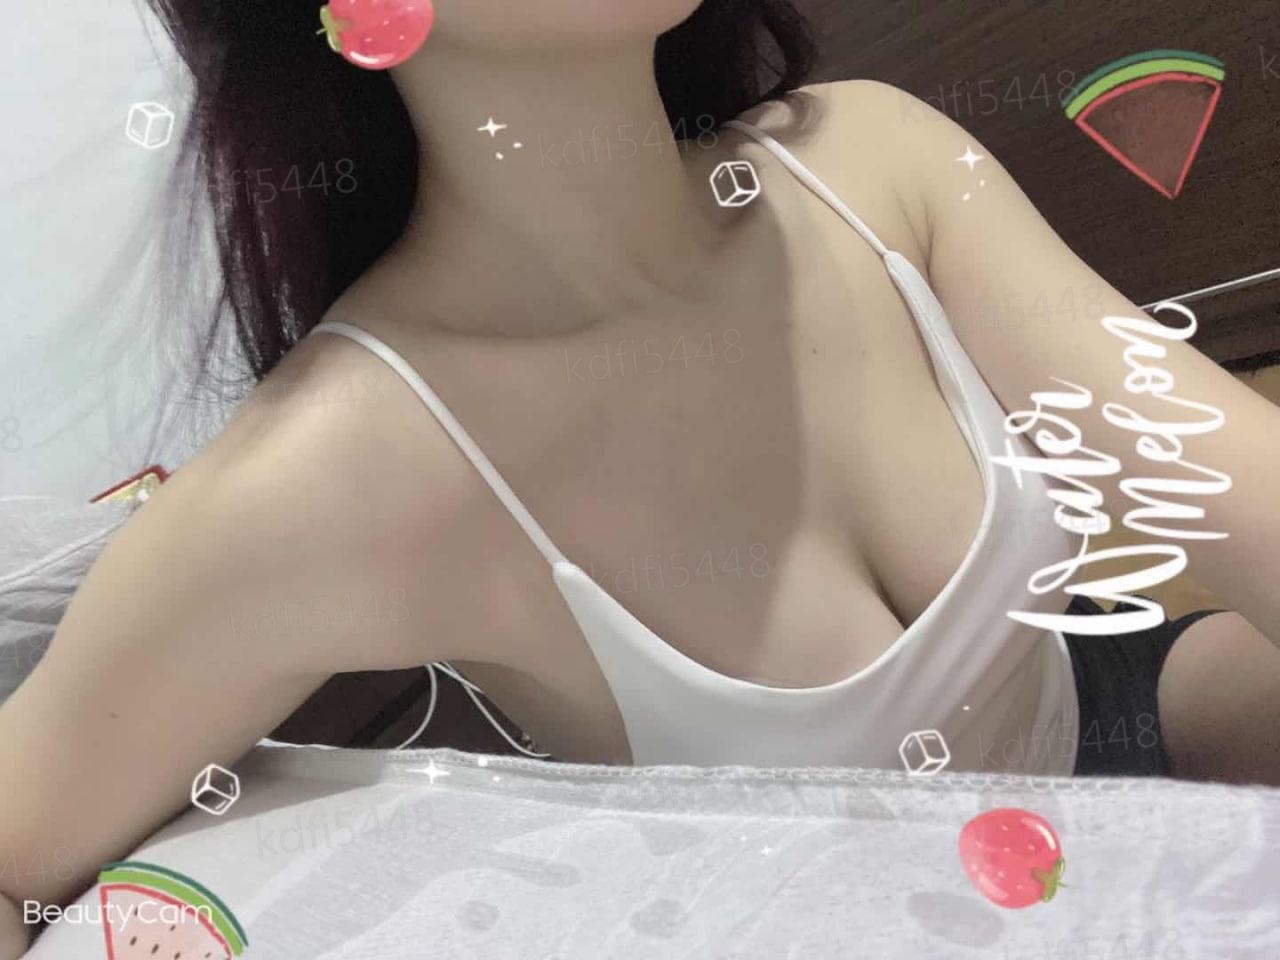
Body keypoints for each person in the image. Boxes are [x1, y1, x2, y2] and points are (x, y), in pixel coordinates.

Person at [2, 0, 1279, 954]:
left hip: (1114, 716)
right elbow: (18, 863)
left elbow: (1239, 486)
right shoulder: (338, 469)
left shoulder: (874, 165)